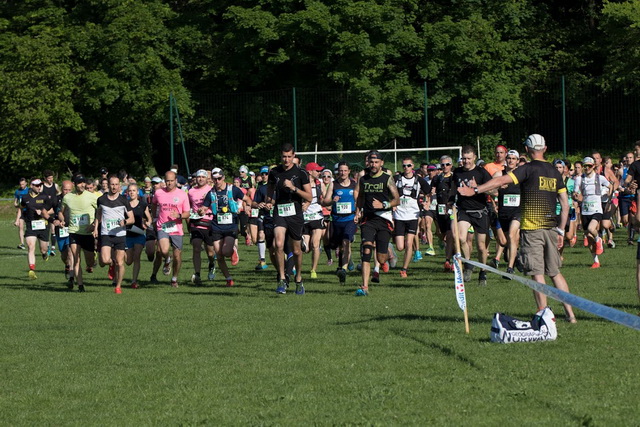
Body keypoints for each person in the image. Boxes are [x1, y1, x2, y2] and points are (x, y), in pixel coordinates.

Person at [458, 134, 577, 323]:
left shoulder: (527, 169)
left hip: (532, 229)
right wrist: (561, 230)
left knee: (537, 273)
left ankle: (543, 315)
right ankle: (570, 315)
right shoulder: (555, 172)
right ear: (544, 149)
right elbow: (564, 205)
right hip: (552, 228)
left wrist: (475, 190)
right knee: (555, 273)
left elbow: (500, 181)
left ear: (528, 150)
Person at [266, 143, 313, 295]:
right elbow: (270, 190)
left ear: (294, 157)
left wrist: (294, 188)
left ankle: (298, 279)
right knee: (278, 244)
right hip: (280, 211)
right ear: (281, 157)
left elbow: (309, 197)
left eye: (289, 157)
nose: (286, 160)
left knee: (297, 250)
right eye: (283, 157)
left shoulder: (301, 173)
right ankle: (281, 278)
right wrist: (267, 201)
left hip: (295, 213)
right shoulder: (274, 172)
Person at [354, 151, 400, 295]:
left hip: (384, 219)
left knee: (380, 258)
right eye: (371, 162)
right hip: (368, 219)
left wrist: (384, 204)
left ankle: (389, 253)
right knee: (366, 250)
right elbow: (360, 197)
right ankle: (364, 287)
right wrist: (358, 211)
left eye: (376, 162)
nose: (373, 165)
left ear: (381, 163)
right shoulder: (363, 179)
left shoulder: (387, 178)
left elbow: (397, 199)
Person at [200, 168, 253, 287]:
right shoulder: (211, 193)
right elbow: (204, 207)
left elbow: (247, 199)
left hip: (231, 225)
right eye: (215, 179)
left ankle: (233, 250)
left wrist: (248, 206)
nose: (217, 181)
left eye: (219, 178)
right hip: (216, 226)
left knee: (226, 252)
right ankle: (228, 278)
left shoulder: (233, 189)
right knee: (218, 254)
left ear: (223, 177)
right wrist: (201, 210)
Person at [453, 145, 494, 286]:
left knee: (481, 247)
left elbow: (494, 190)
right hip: (464, 211)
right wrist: (450, 201)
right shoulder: (457, 172)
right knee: (460, 238)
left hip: (480, 212)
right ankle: (469, 264)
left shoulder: (481, 172)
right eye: (464, 158)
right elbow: (453, 189)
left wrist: (478, 188)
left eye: (469, 158)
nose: (466, 161)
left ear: (474, 158)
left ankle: (483, 272)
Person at [93, 175, 134, 294]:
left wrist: (125, 222)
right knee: (105, 260)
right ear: (108, 185)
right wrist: (96, 228)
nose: (114, 187)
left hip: (120, 234)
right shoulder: (101, 199)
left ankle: (118, 286)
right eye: (112, 184)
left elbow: (132, 219)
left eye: (116, 184)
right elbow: (98, 214)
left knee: (120, 262)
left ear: (120, 186)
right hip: (106, 233)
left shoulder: (124, 200)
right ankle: (111, 265)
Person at [59, 174, 99, 291]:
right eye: (79, 183)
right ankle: (80, 285)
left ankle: (92, 260)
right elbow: (61, 212)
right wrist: (61, 219)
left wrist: (93, 225)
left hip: (87, 234)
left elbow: (100, 211)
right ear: (74, 184)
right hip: (73, 232)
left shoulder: (91, 197)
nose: (82, 185)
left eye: (83, 183)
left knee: (89, 261)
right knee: (76, 259)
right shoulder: (67, 197)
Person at [151, 171, 191, 288]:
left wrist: (179, 215)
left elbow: (187, 213)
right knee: (163, 250)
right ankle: (167, 259)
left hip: (176, 228)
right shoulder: (158, 193)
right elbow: (154, 204)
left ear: (176, 181)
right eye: (167, 181)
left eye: (171, 181)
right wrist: (154, 218)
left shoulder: (182, 194)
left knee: (177, 256)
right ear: (164, 181)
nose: (169, 183)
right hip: (162, 226)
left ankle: (174, 279)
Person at [393, 157, 431, 277]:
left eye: (408, 165)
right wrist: (392, 204)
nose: (406, 168)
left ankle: (404, 269)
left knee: (409, 243)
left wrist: (426, 202)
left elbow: (428, 192)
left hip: (413, 215)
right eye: (404, 166)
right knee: (400, 247)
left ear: (413, 166)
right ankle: (393, 252)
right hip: (399, 215)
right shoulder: (396, 179)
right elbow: (388, 192)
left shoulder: (419, 180)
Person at [323, 161, 357, 284]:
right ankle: (341, 266)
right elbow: (325, 202)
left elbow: (359, 200)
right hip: (337, 219)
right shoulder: (334, 184)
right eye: (340, 170)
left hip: (350, 218)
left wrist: (358, 213)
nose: (342, 173)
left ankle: (344, 268)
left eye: (345, 170)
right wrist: (332, 201)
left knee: (346, 241)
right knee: (338, 245)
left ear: (349, 171)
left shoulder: (354, 184)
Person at [573, 156, 610, 269]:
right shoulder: (580, 179)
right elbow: (575, 193)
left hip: (597, 209)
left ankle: (598, 239)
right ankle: (595, 261)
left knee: (591, 229)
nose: (587, 168)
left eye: (589, 166)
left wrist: (605, 193)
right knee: (589, 237)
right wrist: (575, 195)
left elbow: (610, 186)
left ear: (593, 166)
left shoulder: (600, 178)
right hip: (585, 210)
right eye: (585, 166)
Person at [494, 150, 522, 275]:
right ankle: (516, 257)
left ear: (517, 161)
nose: (511, 160)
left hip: (517, 212)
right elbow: (488, 189)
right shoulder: (499, 174)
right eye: (509, 158)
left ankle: (510, 268)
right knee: (504, 241)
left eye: (513, 158)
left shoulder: (522, 175)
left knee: (512, 235)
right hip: (503, 213)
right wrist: (498, 188)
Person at [188, 169, 217, 285]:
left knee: (210, 252)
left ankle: (211, 264)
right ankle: (198, 274)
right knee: (196, 248)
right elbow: (189, 207)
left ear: (207, 179)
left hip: (209, 222)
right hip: (196, 223)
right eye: (198, 177)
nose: (200, 179)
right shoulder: (191, 191)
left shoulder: (211, 190)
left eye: (203, 177)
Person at [21, 178, 54, 279]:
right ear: (31, 186)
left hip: (43, 226)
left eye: (40, 185)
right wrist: (19, 219)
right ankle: (32, 269)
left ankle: (45, 253)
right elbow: (22, 208)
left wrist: (44, 213)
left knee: (43, 249)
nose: (39, 187)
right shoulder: (25, 197)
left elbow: (52, 210)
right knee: (31, 247)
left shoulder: (44, 197)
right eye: (37, 185)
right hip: (31, 225)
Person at [431, 156, 456, 271]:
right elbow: (431, 191)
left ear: (451, 165)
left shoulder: (455, 177)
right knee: (443, 235)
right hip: (440, 209)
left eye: (447, 164)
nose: (445, 167)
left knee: (451, 234)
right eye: (442, 165)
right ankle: (452, 255)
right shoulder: (437, 178)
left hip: (452, 209)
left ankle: (448, 260)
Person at [125, 183, 152, 288]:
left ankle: (134, 281)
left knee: (137, 257)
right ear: (127, 192)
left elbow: (149, 218)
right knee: (128, 261)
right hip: (127, 235)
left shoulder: (142, 204)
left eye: (134, 190)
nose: (132, 192)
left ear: (137, 192)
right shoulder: (125, 204)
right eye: (130, 191)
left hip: (139, 234)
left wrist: (148, 223)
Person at [301, 162, 326, 279]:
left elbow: (324, 199)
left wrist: (328, 202)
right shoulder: (301, 184)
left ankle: (313, 270)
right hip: (304, 218)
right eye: (317, 171)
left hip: (317, 216)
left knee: (315, 244)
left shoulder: (320, 184)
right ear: (310, 172)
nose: (319, 173)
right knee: (306, 249)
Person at [51, 180, 73, 279]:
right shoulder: (55, 199)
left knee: (70, 251)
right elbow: (47, 211)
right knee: (64, 255)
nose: (67, 192)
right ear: (61, 189)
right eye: (65, 190)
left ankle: (72, 276)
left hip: (72, 229)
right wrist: (54, 220)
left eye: (69, 190)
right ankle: (67, 266)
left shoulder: (75, 199)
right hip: (60, 230)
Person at [13, 178, 29, 250]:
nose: (21, 185)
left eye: (23, 184)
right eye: (20, 184)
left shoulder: (29, 190)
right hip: (21, 211)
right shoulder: (17, 191)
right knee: (21, 227)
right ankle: (22, 243)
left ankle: (30, 242)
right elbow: (16, 201)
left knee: (29, 228)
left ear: (26, 183)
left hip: (29, 211)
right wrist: (15, 203)